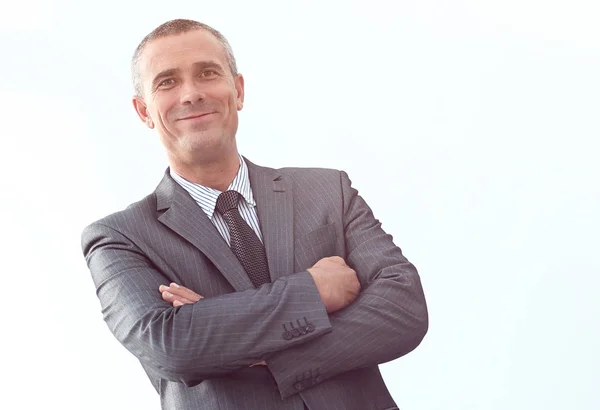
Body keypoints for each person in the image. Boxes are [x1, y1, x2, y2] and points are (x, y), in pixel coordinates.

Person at [81, 18, 428, 410]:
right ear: (144, 111)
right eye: (167, 82)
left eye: (208, 73)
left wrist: (255, 348)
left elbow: (404, 308)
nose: (191, 94)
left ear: (238, 90)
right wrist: (312, 291)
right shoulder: (118, 238)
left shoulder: (329, 191)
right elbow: (172, 346)